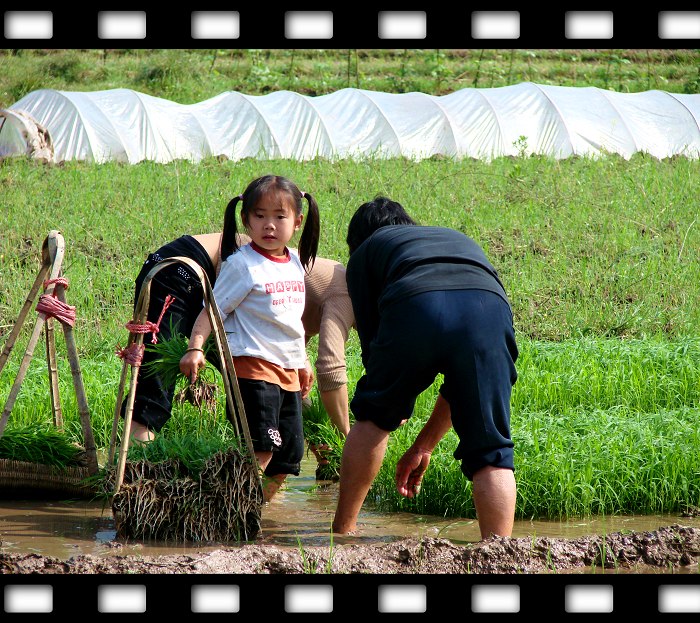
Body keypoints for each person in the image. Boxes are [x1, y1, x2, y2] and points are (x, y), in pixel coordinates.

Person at [331, 196, 519, 540]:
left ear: (355, 242)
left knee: (373, 417)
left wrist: (390, 403)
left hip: (415, 302)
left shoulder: (365, 254)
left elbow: (375, 352)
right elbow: (460, 385)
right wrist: (424, 446)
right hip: (489, 309)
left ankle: (342, 534)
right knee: (492, 451)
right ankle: (501, 554)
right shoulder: (450, 237)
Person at [121, 233, 355, 457]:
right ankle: (136, 474)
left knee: (261, 381)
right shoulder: (345, 293)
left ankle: (256, 461)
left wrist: (316, 434)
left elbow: (286, 372)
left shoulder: (325, 285)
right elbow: (330, 370)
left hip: (205, 283)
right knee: (155, 388)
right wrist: (348, 440)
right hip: (182, 270)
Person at [179, 174, 320, 502]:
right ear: (245, 219)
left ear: (297, 221)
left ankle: (249, 513)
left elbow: (290, 321)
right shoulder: (242, 265)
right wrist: (195, 347)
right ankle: (228, 513)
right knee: (261, 450)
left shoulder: (295, 262)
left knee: (287, 460)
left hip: (287, 374)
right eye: (260, 216)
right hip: (252, 371)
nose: (269, 225)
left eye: (279, 217)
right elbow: (213, 311)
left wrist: (303, 361)